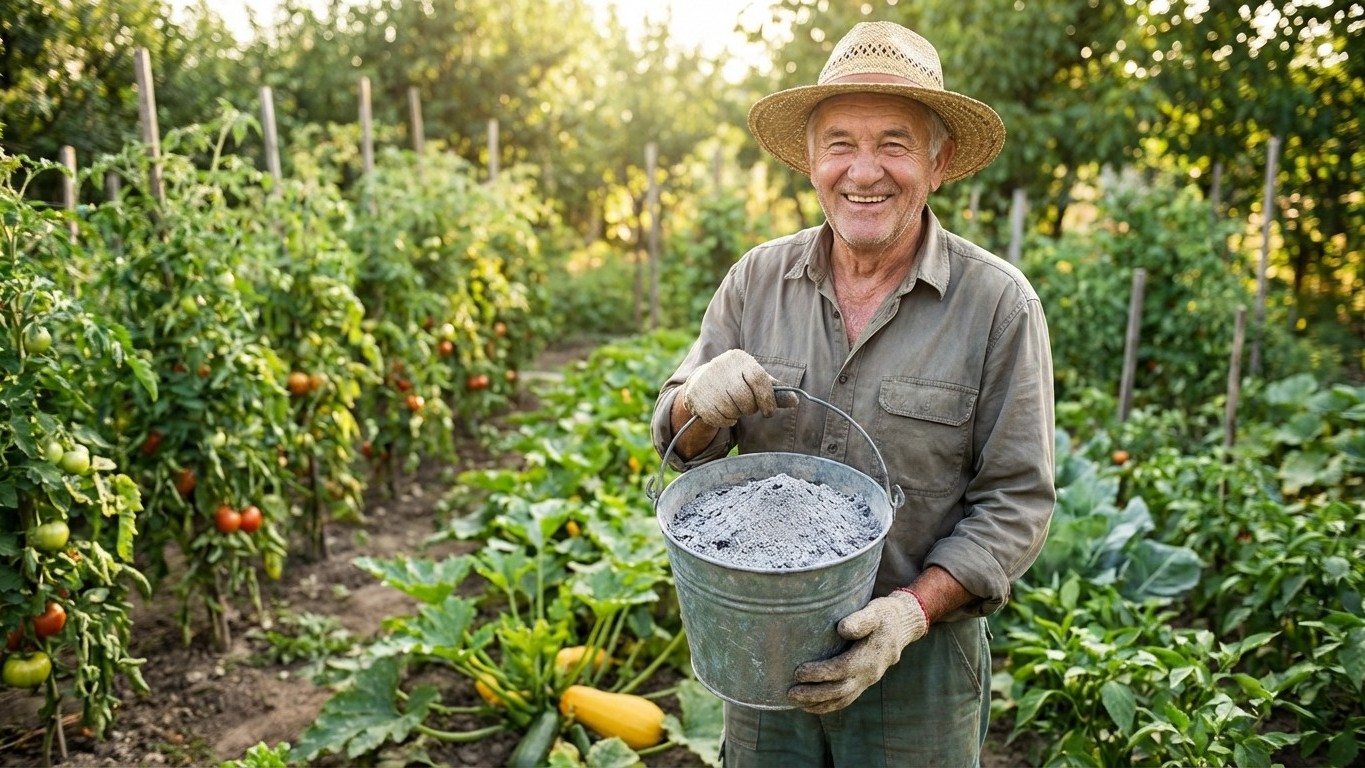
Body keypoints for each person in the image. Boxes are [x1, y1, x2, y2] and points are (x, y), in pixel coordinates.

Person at [650, 20, 1056, 767]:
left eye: (893, 143)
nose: (863, 170)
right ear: (810, 160)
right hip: (760, 657)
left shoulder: (996, 304)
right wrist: (691, 402)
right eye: (839, 142)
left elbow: (1017, 502)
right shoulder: (755, 280)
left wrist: (906, 615)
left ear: (938, 162)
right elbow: (680, 449)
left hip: (919, 675)